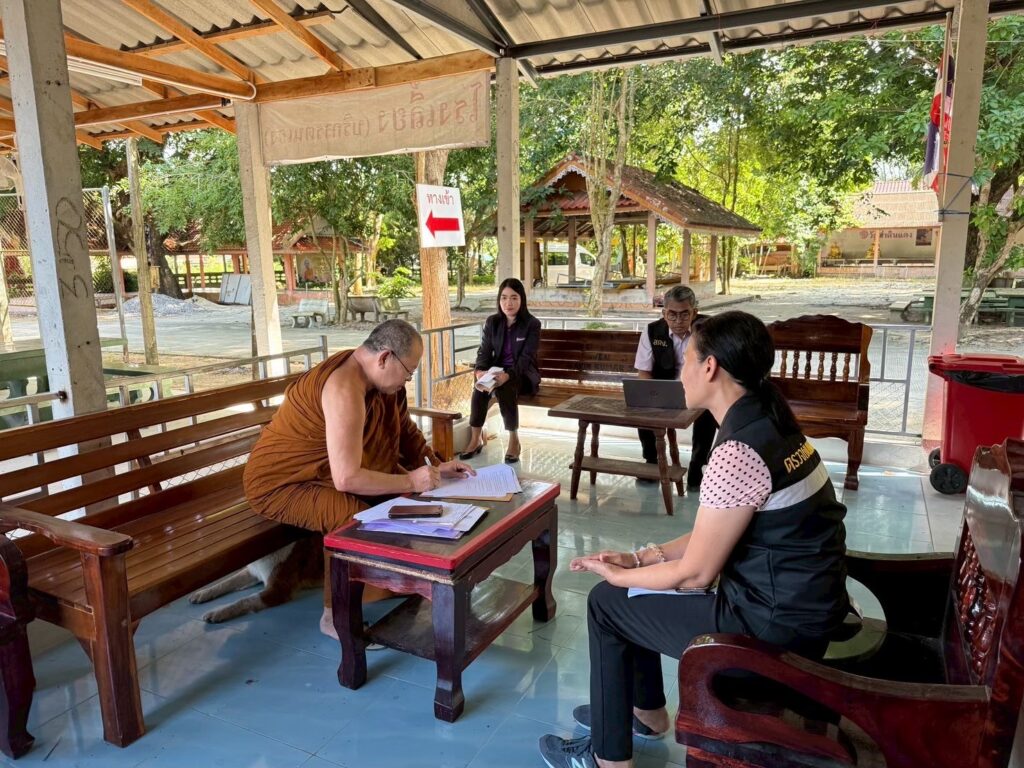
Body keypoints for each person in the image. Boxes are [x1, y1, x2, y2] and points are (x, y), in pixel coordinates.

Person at [539, 311, 849, 768]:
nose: (680, 372)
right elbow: (713, 532)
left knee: (607, 603)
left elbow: (696, 573)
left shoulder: (738, 450)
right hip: (803, 608)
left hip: (772, 628)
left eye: (687, 361)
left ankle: (608, 757)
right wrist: (640, 559)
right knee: (635, 591)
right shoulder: (770, 419)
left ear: (710, 367)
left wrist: (619, 576)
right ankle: (644, 714)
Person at [243, 319, 475, 635]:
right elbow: (347, 479)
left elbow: (405, 431)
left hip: (325, 474)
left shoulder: (381, 383)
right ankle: (334, 615)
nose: (407, 381)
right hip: (281, 484)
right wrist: (411, 480)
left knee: (403, 501)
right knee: (350, 519)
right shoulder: (344, 387)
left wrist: (436, 465)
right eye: (408, 373)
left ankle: (401, 578)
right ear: (385, 358)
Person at [634, 285, 717, 488]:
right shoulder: (652, 331)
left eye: (684, 314)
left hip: (700, 389)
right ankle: (652, 461)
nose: (678, 321)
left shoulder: (709, 329)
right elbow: (644, 372)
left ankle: (697, 465)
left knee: (708, 412)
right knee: (642, 405)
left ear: (694, 312)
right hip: (666, 389)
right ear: (664, 313)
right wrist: (651, 396)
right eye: (672, 314)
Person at [459, 277, 541, 464]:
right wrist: (480, 371)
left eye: (514, 298)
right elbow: (484, 351)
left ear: (521, 299)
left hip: (523, 375)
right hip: (497, 372)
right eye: (504, 298)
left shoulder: (532, 324)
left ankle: (514, 440)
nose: (508, 303)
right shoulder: (493, 322)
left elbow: (526, 358)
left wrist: (508, 375)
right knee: (480, 388)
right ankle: (475, 438)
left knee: (505, 387)